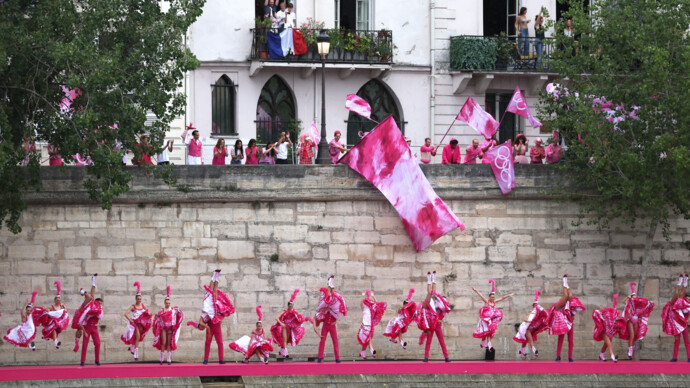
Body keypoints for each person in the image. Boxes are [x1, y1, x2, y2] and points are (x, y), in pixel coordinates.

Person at [187, 270, 235, 364]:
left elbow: (202, 323)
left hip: (214, 321)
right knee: (209, 343)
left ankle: (215, 275)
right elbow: (201, 322)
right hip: (212, 325)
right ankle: (207, 359)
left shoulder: (208, 308)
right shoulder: (206, 313)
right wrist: (207, 326)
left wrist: (207, 325)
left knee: (219, 343)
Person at [547, 275, 586, 362]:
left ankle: (570, 356)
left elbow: (573, 316)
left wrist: (571, 318)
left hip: (568, 322)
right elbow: (565, 296)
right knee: (561, 338)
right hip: (561, 322)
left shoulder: (570, 306)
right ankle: (558, 355)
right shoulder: (559, 305)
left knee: (570, 340)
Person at [270, 289, 318, 358]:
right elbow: (277, 318)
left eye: (292, 306)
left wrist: (301, 320)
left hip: (290, 328)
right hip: (284, 327)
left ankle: (283, 351)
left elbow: (298, 319)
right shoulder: (285, 311)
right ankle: (286, 353)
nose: (291, 307)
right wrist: (281, 323)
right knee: (284, 339)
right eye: (290, 306)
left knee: (286, 340)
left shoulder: (294, 312)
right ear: (288, 305)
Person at [416, 271, 451, 362]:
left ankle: (446, 357)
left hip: (437, 325)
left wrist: (440, 320)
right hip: (431, 325)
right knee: (429, 341)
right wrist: (430, 280)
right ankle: (426, 357)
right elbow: (430, 292)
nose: (434, 296)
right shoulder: (429, 302)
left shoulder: (438, 305)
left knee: (441, 341)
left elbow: (443, 314)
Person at [472, 279, 514, 351]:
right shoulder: (486, 302)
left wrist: (509, 295)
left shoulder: (494, 302)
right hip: (485, 319)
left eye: (493, 297)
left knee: (489, 332)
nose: (493, 298)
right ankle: (485, 343)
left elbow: (502, 298)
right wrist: (475, 290)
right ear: (489, 297)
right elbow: (481, 295)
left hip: (491, 319)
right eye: (491, 297)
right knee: (486, 332)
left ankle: (487, 344)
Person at [315, 275, 347, 363]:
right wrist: (326, 309)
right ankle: (320, 357)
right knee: (322, 340)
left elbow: (338, 312)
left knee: (335, 341)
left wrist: (335, 320)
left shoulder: (335, 301)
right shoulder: (326, 299)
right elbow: (322, 308)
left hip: (332, 324)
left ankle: (337, 358)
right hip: (325, 325)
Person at [72, 275, 103, 366]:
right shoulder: (89, 306)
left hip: (94, 328)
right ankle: (82, 361)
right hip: (87, 327)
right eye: (99, 303)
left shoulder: (97, 309)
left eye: (100, 303)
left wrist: (98, 324)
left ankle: (97, 360)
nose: (100, 304)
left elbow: (99, 317)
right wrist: (84, 331)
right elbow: (82, 323)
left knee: (97, 343)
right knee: (85, 344)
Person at [620, 282, 655, 360]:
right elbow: (623, 302)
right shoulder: (629, 304)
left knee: (635, 337)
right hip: (630, 320)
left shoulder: (639, 304)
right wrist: (627, 297)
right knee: (632, 335)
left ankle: (631, 352)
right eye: (633, 296)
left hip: (636, 320)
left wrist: (650, 303)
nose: (634, 298)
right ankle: (629, 352)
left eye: (635, 296)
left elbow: (645, 304)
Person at [152, 286, 184, 365]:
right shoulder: (162, 310)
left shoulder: (173, 310)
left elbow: (179, 314)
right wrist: (158, 314)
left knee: (169, 343)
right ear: (164, 303)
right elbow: (156, 314)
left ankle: (169, 358)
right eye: (166, 303)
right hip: (163, 328)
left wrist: (179, 311)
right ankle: (161, 358)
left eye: (169, 303)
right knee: (163, 342)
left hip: (170, 328)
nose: (168, 304)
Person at [662, 274, 690, 362]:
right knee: (676, 341)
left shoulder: (687, 306)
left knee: (686, 341)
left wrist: (687, 319)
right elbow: (678, 295)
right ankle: (675, 357)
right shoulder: (677, 302)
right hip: (676, 324)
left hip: (683, 325)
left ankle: (689, 357)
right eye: (688, 298)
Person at [122, 281, 152, 361]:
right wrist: (130, 320)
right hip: (134, 323)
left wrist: (148, 313)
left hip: (141, 324)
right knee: (138, 336)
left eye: (140, 299)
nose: (139, 300)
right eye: (138, 299)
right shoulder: (133, 306)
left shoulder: (143, 305)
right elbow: (125, 314)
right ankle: (136, 354)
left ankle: (132, 348)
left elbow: (147, 312)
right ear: (135, 299)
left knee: (137, 338)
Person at [513, 290, 548, 359]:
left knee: (526, 340)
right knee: (530, 340)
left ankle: (522, 350)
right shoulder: (531, 313)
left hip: (528, 328)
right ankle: (534, 351)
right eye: (534, 306)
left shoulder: (535, 313)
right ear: (533, 307)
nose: (535, 307)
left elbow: (540, 317)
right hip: (525, 329)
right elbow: (526, 319)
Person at [592, 294, 626, 362]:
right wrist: (601, 310)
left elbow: (618, 320)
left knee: (606, 344)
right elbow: (597, 313)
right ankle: (613, 357)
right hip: (604, 332)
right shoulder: (603, 316)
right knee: (609, 344)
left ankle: (601, 355)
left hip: (610, 332)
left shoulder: (613, 318)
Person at [39, 281, 70, 349]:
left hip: (59, 323)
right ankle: (56, 343)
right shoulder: (52, 306)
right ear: (55, 301)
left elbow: (66, 310)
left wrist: (64, 309)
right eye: (57, 300)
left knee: (54, 331)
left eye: (59, 300)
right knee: (53, 330)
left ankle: (48, 338)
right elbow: (46, 309)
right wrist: (46, 310)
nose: (58, 301)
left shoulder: (62, 305)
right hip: (53, 322)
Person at [357, 290, 387, 359]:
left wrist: (373, 296)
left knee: (367, 338)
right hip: (365, 324)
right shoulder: (364, 308)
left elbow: (377, 304)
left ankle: (363, 352)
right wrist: (362, 296)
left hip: (369, 324)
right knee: (367, 337)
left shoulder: (372, 308)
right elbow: (361, 303)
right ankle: (371, 349)